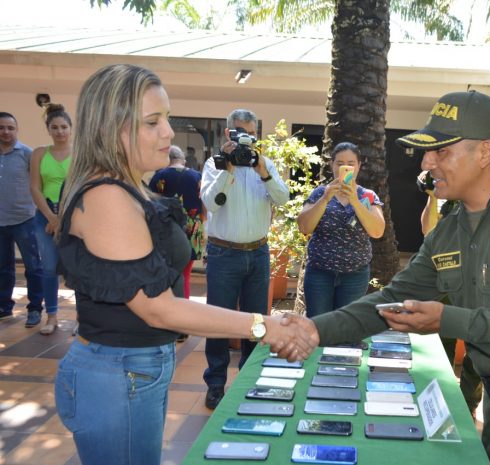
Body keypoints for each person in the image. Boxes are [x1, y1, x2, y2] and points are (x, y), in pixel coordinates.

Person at [287, 91, 490, 464]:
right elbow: (391, 299)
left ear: (484, 152)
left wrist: (449, 319)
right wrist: (313, 330)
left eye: (441, 151)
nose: (426, 162)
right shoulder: (450, 230)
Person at [53, 64, 315, 465]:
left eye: (167, 118)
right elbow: (157, 307)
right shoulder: (107, 196)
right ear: (112, 127)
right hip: (118, 375)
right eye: (153, 122)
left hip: (136, 370)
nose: (169, 132)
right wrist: (263, 325)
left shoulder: (127, 186)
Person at [200, 108, 290, 409]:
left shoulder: (265, 165)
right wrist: (227, 171)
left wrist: (263, 172)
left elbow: (283, 198)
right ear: (228, 134)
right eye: (240, 132)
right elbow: (211, 203)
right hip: (224, 253)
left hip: (259, 253)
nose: (246, 139)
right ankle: (215, 384)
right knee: (217, 322)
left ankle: (250, 381)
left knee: (256, 323)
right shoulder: (214, 166)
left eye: (251, 133)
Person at [417, 169, 483, 420]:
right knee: (441, 346)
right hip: (445, 280)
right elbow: (428, 230)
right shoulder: (444, 194)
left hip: (476, 281)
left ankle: (468, 405)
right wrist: (432, 197)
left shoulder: (480, 194)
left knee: (476, 350)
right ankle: (442, 400)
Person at [297, 142, 385, 317]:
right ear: (332, 165)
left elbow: (377, 231)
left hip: (355, 275)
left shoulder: (367, 196)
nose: (345, 167)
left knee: (347, 326)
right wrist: (325, 198)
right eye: (340, 163)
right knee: (319, 325)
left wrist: (354, 200)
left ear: (359, 166)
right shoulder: (319, 193)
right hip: (319, 274)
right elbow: (304, 227)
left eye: (351, 163)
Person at [29, 103, 72, 335]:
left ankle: (83, 321)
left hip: (74, 215)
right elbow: (35, 187)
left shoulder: (79, 153)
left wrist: (61, 218)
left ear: (71, 129)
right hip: (44, 215)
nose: (60, 132)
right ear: (48, 130)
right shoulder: (38, 154)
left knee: (77, 269)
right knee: (48, 267)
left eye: (64, 127)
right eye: (54, 127)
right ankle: (52, 316)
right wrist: (50, 216)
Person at [0, 112, 44, 326]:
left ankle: (35, 308)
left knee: (33, 266)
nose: (6, 132)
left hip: (25, 220)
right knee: (3, 267)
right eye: (2, 127)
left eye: (10, 127)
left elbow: (38, 185)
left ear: (17, 130)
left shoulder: (27, 154)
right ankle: (4, 306)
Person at [148, 145, 205, 300]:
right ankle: (183, 311)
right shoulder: (197, 176)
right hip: (192, 230)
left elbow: (150, 204)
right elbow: (204, 206)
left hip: (165, 229)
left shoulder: (159, 176)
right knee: (185, 275)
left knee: (163, 272)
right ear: (183, 160)